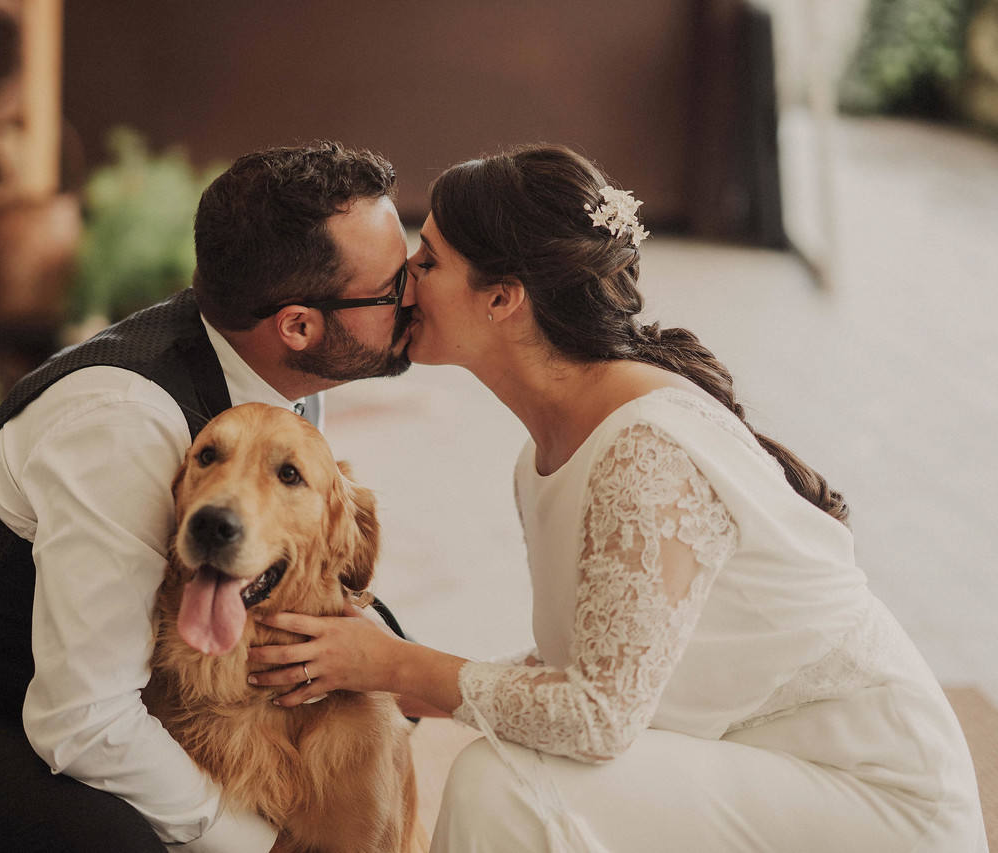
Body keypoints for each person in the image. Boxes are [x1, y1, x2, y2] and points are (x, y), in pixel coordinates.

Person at [246, 144, 989, 851]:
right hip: (755, 765)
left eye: (429, 258)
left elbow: (598, 714)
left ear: (502, 297)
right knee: (508, 771)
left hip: (875, 802)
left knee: (502, 785)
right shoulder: (545, 450)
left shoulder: (642, 450)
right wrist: (363, 664)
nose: (404, 278)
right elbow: (595, 660)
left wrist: (396, 666)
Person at [0, 141, 415, 853]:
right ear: (298, 324)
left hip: (89, 684)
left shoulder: (270, 377)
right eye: (390, 289)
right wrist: (257, 845)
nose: (413, 297)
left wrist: (385, 652)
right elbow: (83, 722)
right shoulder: (123, 425)